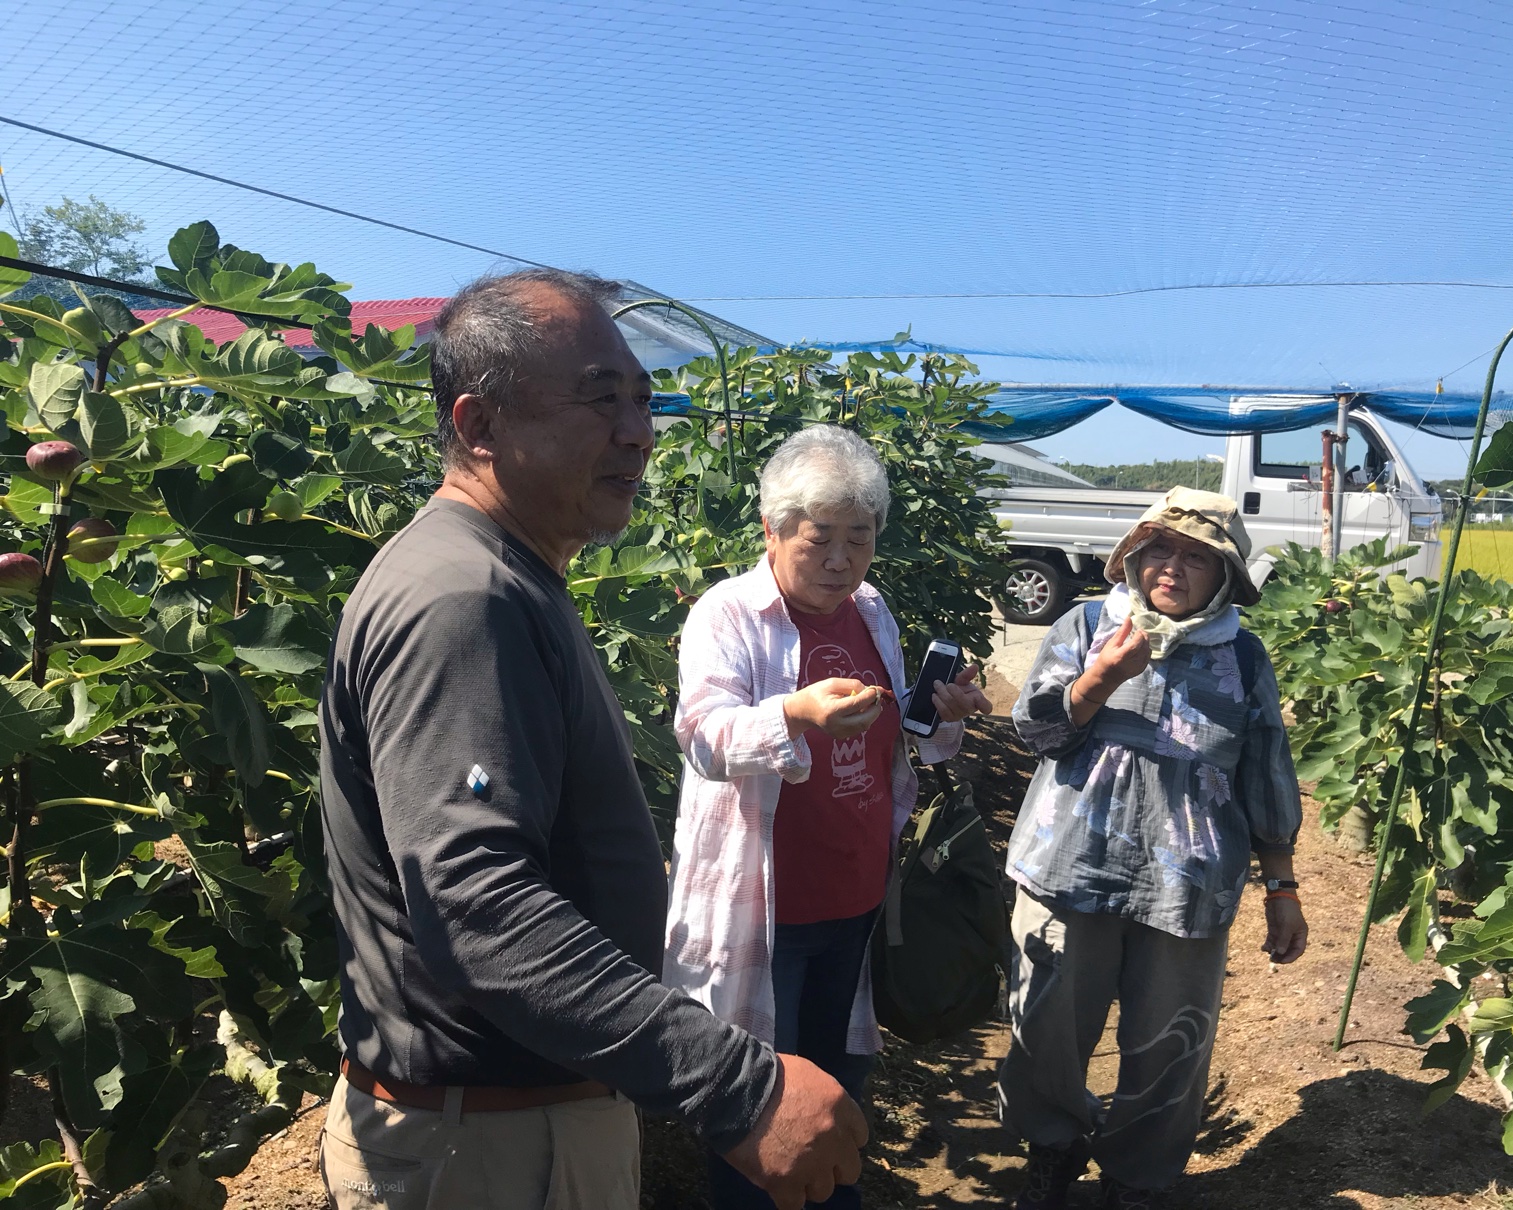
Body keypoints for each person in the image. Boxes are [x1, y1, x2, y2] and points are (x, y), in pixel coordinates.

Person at [318, 269, 866, 1210]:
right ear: (480, 425)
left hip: (508, 1129)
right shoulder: (465, 599)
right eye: (599, 398)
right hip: (487, 1150)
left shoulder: (505, 575)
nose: (637, 431)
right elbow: (477, 907)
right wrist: (735, 1085)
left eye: (643, 400)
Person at [662, 425, 992, 1209]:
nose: (841, 560)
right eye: (819, 540)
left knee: (837, 1092)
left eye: (859, 538)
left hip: (854, 897)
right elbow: (703, 737)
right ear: (772, 532)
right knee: (760, 1109)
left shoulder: (871, 611)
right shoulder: (729, 615)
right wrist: (796, 714)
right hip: (766, 911)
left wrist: (945, 714)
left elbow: (906, 738)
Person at [998, 487, 1308, 1210]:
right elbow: (1034, 731)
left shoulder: (1239, 653)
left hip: (1187, 882)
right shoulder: (1083, 624)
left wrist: (1282, 886)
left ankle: (1136, 1176)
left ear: (1225, 578)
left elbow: (1263, 769)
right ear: (1132, 557)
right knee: (1044, 1022)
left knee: (1170, 1039)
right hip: (1065, 864)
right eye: (1159, 549)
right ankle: (1053, 1144)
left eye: (1197, 558)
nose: (1172, 567)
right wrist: (1102, 677)